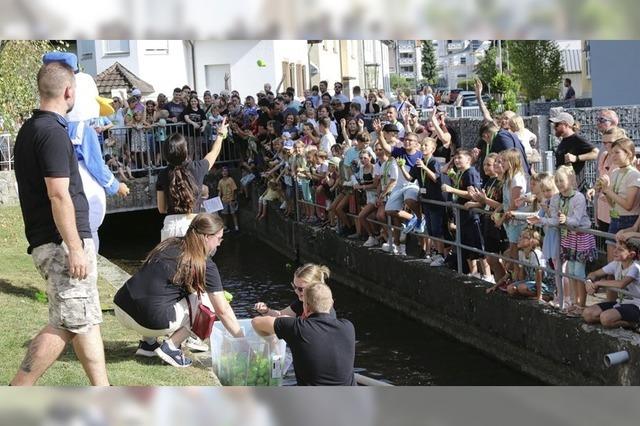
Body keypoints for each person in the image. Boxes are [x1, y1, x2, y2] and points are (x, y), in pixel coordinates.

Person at [12, 59, 109, 385]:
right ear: (69, 91)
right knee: (67, 323)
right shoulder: (51, 133)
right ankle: (17, 389)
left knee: (86, 320)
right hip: (61, 244)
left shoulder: (30, 130)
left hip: (55, 241)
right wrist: (75, 247)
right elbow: (58, 194)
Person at [113, 214, 243, 367]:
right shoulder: (205, 264)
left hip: (121, 307)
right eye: (219, 238)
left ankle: (148, 344)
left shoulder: (170, 243)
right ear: (207, 237)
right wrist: (242, 342)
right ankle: (171, 347)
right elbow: (223, 311)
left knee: (159, 292)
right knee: (207, 302)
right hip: (148, 321)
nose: (220, 243)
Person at [252, 282, 356, 386]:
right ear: (332, 303)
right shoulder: (348, 327)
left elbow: (256, 322)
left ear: (306, 307)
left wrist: (272, 340)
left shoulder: (296, 328)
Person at [156, 118, 229, 241]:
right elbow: (214, 152)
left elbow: (162, 209)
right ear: (185, 150)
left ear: (166, 154)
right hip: (193, 226)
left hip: (171, 227)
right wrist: (221, 134)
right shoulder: (197, 168)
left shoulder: (162, 174)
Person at [583, 239, 640, 328]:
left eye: (620, 250)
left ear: (631, 254)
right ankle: (615, 318)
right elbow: (593, 274)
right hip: (621, 302)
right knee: (588, 314)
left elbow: (621, 284)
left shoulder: (635, 267)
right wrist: (589, 281)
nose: (615, 251)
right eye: (616, 247)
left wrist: (600, 283)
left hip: (636, 306)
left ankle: (634, 324)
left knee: (605, 318)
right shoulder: (616, 263)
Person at [254, 263, 333, 318]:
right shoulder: (301, 303)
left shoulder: (324, 310)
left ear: (315, 287)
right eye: (294, 286)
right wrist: (266, 311)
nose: (296, 291)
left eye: (301, 289)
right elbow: (280, 315)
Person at [551, 111, 598, 186]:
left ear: (566, 125)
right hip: (563, 185)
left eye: (557, 124)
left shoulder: (577, 139)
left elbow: (596, 153)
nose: (554, 127)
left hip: (575, 186)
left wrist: (577, 158)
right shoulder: (563, 141)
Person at [218, 166, 239, 232]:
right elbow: (219, 191)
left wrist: (233, 199)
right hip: (224, 200)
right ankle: (225, 227)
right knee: (224, 214)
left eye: (226, 171)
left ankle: (236, 227)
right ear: (221, 173)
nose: (224, 172)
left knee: (233, 214)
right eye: (223, 171)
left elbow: (234, 190)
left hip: (231, 200)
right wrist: (218, 199)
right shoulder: (220, 181)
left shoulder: (230, 179)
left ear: (228, 172)